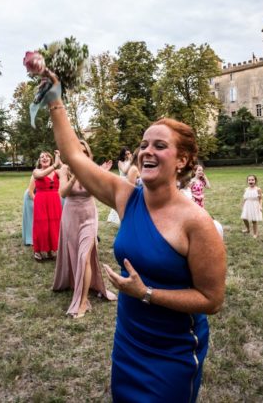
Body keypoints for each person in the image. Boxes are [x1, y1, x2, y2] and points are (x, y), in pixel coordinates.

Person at [37, 66, 226, 403]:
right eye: (143, 144)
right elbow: (74, 157)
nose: (146, 151)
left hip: (173, 352)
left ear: (182, 160)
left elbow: (212, 300)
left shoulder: (197, 223)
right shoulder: (126, 197)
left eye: (159, 145)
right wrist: (55, 100)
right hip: (128, 341)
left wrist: (147, 293)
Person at [53, 141, 116, 318]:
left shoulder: (91, 169)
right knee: (74, 254)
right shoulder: (65, 169)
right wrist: (75, 175)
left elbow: (100, 191)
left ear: (88, 154)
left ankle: (82, 302)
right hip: (71, 217)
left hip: (89, 217)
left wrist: (101, 174)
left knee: (84, 257)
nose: (80, 154)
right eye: (77, 151)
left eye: (84, 151)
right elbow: (62, 193)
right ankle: (74, 282)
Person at [32, 150, 64, 261]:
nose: (44, 158)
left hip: (54, 200)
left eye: (47, 157)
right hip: (41, 201)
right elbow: (41, 175)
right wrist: (55, 165)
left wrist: (59, 160)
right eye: (42, 157)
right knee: (42, 226)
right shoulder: (36, 171)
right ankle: (38, 251)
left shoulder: (57, 172)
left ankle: (51, 250)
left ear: (51, 159)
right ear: (40, 161)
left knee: (54, 225)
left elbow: (68, 172)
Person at [107, 147, 132, 224]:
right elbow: (124, 171)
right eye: (126, 154)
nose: (127, 155)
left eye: (129, 153)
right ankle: (119, 219)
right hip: (122, 182)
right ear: (123, 155)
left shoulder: (132, 161)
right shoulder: (120, 162)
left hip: (130, 182)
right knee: (121, 202)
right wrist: (131, 162)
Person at [241, 174, 263, 239]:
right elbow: (245, 198)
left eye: (252, 180)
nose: (251, 181)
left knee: (254, 220)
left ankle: (255, 233)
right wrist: (243, 205)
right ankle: (248, 229)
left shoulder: (258, 189)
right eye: (249, 180)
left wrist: (260, 206)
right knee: (244, 218)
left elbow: (261, 199)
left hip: (255, 205)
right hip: (247, 205)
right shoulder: (246, 189)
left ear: (255, 181)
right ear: (247, 181)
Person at [22, 175, 35, 246]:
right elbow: (30, 191)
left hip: (38, 195)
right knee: (30, 218)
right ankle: (29, 240)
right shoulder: (36, 173)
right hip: (30, 196)